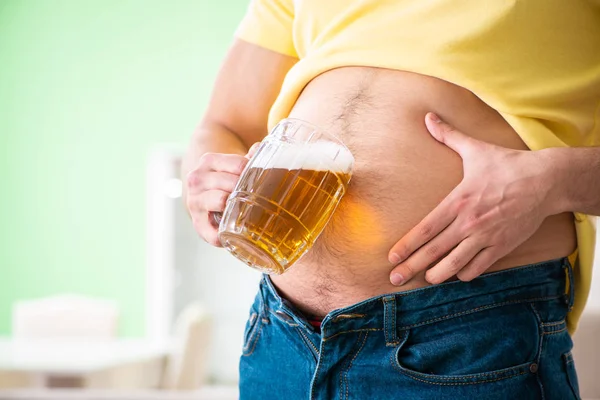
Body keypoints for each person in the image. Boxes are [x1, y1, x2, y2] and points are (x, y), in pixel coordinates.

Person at [182, 1, 599, 398]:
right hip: (282, 337)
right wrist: (202, 177)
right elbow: (225, 124)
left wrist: (553, 180)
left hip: (467, 334)